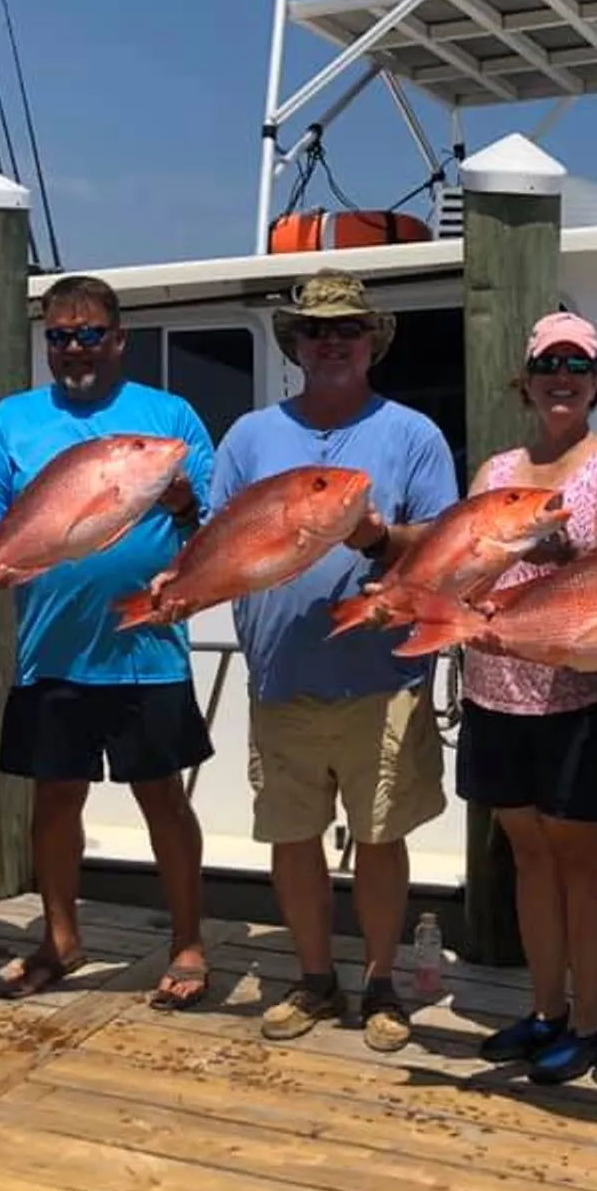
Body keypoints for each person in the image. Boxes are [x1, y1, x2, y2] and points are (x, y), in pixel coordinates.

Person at [212, 268, 459, 1053]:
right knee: (292, 834)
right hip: (280, 677)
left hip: (381, 678)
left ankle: (381, 983)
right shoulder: (251, 436)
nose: (331, 342)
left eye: (347, 329)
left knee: (381, 836)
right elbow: (221, 540)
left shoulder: (412, 433)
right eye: (317, 330)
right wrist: (178, 584)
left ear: (370, 342)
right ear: (296, 344)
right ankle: (314, 977)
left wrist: (378, 541)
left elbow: (444, 542)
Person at [0, 274, 217, 1010]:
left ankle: (189, 940)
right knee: (54, 798)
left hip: (146, 647)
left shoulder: (167, 417)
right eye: (60, 336)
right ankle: (61, 937)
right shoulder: (12, 419)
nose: (74, 348)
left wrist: (182, 499)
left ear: (118, 338)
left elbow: (210, 522)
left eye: (89, 334)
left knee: (162, 797)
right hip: (50, 648)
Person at [458, 312, 597, 1084]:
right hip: (496, 687)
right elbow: (465, 557)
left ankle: (589, 1018)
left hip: (578, 692)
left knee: (582, 862)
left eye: (578, 363)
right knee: (529, 858)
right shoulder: (497, 469)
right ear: (526, 380)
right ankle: (543, 1008)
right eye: (548, 363)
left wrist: (563, 549)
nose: (562, 375)